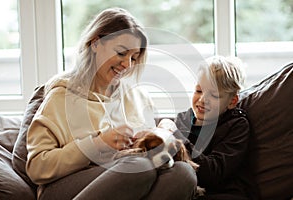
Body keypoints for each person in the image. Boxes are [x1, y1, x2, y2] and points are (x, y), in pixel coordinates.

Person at [26, 7, 197, 200]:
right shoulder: (61, 97)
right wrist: (98, 143)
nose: (128, 65)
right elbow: (37, 168)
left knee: (183, 174)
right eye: (122, 53)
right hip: (65, 187)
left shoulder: (137, 97)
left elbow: (152, 158)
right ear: (96, 43)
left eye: (134, 57)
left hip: (131, 178)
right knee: (139, 167)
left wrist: (161, 135)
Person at [174, 56, 258, 200]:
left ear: (232, 101)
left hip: (226, 193)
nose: (202, 100)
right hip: (190, 190)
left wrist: (177, 140)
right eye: (199, 91)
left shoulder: (237, 126)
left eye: (213, 95)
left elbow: (213, 173)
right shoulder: (183, 120)